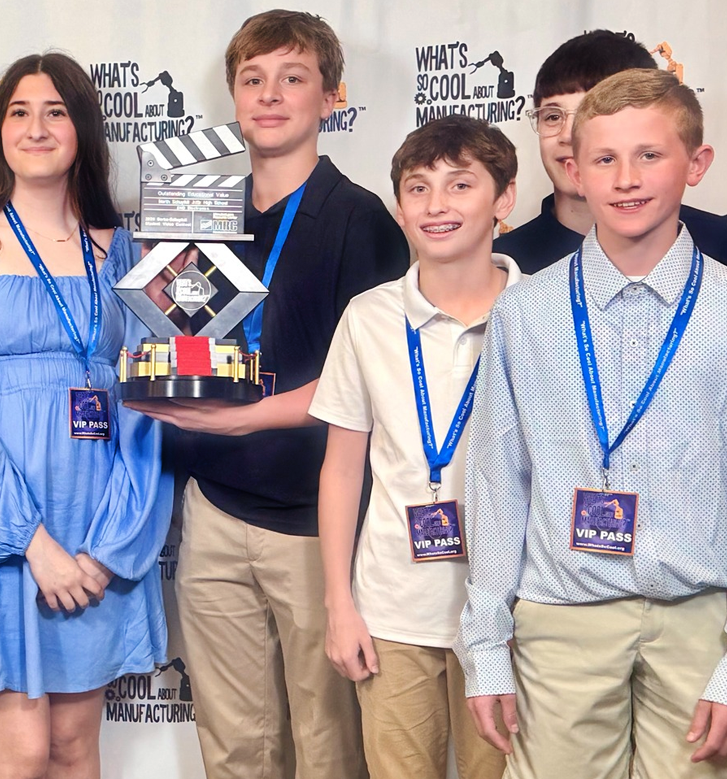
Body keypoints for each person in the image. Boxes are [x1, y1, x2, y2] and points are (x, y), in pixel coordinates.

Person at [458, 69, 727, 779]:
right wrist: (488, 642)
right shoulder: (525, 312)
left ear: (696, 165)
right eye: (605, 158)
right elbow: (499, 481)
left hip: (701, 622)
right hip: (562, 621)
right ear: (574, 169)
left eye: (650, 155)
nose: (625, 178)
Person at [127, 11, 406, 778]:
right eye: (253, 79)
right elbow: (175, 337)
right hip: (214, 507)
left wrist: (245, 416)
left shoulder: (363, 219)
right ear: (234, 96)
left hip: (319, 523)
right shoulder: (200, 210)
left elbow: (369, 382)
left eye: (293, 77)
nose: (270, 95)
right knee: (235, 746)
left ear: (331, 96)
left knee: (328, 743)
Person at [0, 52, 173, 779]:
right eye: (19, 112)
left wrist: (107, 547)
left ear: (82, 128)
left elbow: (149, 408)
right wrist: (33, 543)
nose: (37, 126)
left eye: (56, 110)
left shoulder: (129, 256)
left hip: (95, 535)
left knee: (74, 750)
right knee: (19, 755)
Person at [311, 115, 517, 779]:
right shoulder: (368, 318)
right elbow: (342, 469)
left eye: (461, 185)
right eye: (418, 188)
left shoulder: (543, 313)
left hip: (514, 614)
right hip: (392, 610)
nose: (437, 205)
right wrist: (339, 604)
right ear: (398, 205)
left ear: (503, 200)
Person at [495, 30, 727, 281]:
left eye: (591, 116)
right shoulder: (502, 259)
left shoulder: (716, 239)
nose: (568, 134)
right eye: (553, 116)